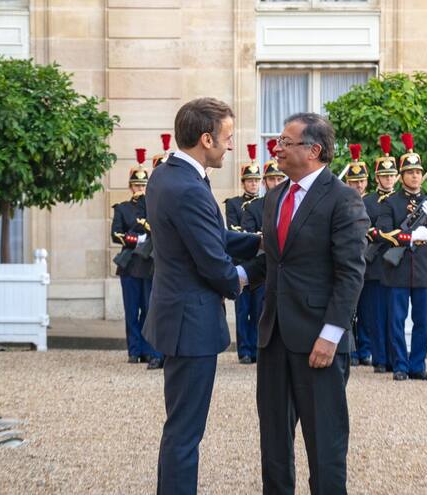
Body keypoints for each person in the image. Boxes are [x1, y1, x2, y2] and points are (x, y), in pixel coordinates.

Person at [241, 112, 368, 494]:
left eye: (285, 142)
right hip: (274, 336)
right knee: (274, 445)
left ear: (314, 150)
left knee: (325, 443)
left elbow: (350, 273)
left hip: (319, 341)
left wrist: (331, 335)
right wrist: (236, 278)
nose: (276, 148)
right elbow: (273, 261)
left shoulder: (343, 200)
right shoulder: (275, 197)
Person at [142, 97, 260, 495]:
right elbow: (216, 267)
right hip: (190, 323)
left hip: (176, 316)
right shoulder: (188, 187)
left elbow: (213, 236)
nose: (230, 146)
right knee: (185, 433)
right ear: (206, 139)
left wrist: (260, 241)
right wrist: (260, 270)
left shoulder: (167, 175)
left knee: (180, 428)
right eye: (227, 138)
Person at [378, 133, 427, 381]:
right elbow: (384, 232)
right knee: (397, 321)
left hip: (424, 268)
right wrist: (410, 237)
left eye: (418, 172)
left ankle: (417, 365)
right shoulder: (391, 202)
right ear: (401, 175)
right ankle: (400, 365)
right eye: (410, 172)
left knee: (422, 321)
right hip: (398, 267)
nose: (416, 175)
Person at [111, 150, 163, 369]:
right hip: (129, 265)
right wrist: (136, 235)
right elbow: (116, 234)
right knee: (132, 310)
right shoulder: (122, 208)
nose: (140, 189)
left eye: (143, 186)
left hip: (148, 265)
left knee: (148, 309)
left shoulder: (152, 204)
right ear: (131, 186)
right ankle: (134, 350)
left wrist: (146, 229)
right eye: (136, 186)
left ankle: (151, 351)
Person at [224, 144, 263, 364]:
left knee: (259, 310)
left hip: (258, 262)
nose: (253, 184)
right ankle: (244, 350)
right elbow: (233, 229)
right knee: (242, 310)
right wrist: (255, 235)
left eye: (256, 180)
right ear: (243, 182)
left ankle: (257, 348)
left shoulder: (264, 203)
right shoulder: (234, 204)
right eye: (250, 181)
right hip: (241, 260)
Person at [365, 135, 399, 373]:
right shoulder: (367, 201)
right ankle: (380, 358)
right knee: (376, 315)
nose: (388, 179)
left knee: (394, 316)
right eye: (384, 175)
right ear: (377, 177)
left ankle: (395, 357)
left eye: (391, 175)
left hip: (397, 263)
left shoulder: (401, 200)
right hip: (375, 262)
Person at [343, 144, 373, 367]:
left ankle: (365, 350)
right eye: (354, 182)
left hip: (370, 262)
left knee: (366, 310)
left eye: (362, 181)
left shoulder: (373, 203)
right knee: (348, 308)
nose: (359, 185)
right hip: (347, 261)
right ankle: (351, 351)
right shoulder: (342, 202)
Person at [241, 139, 286, 234]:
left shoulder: (293, 203)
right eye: (271, 179)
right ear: (264, 182)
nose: (276, 184)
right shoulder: (252, 208)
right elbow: (249, 240)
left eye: (279, 179)